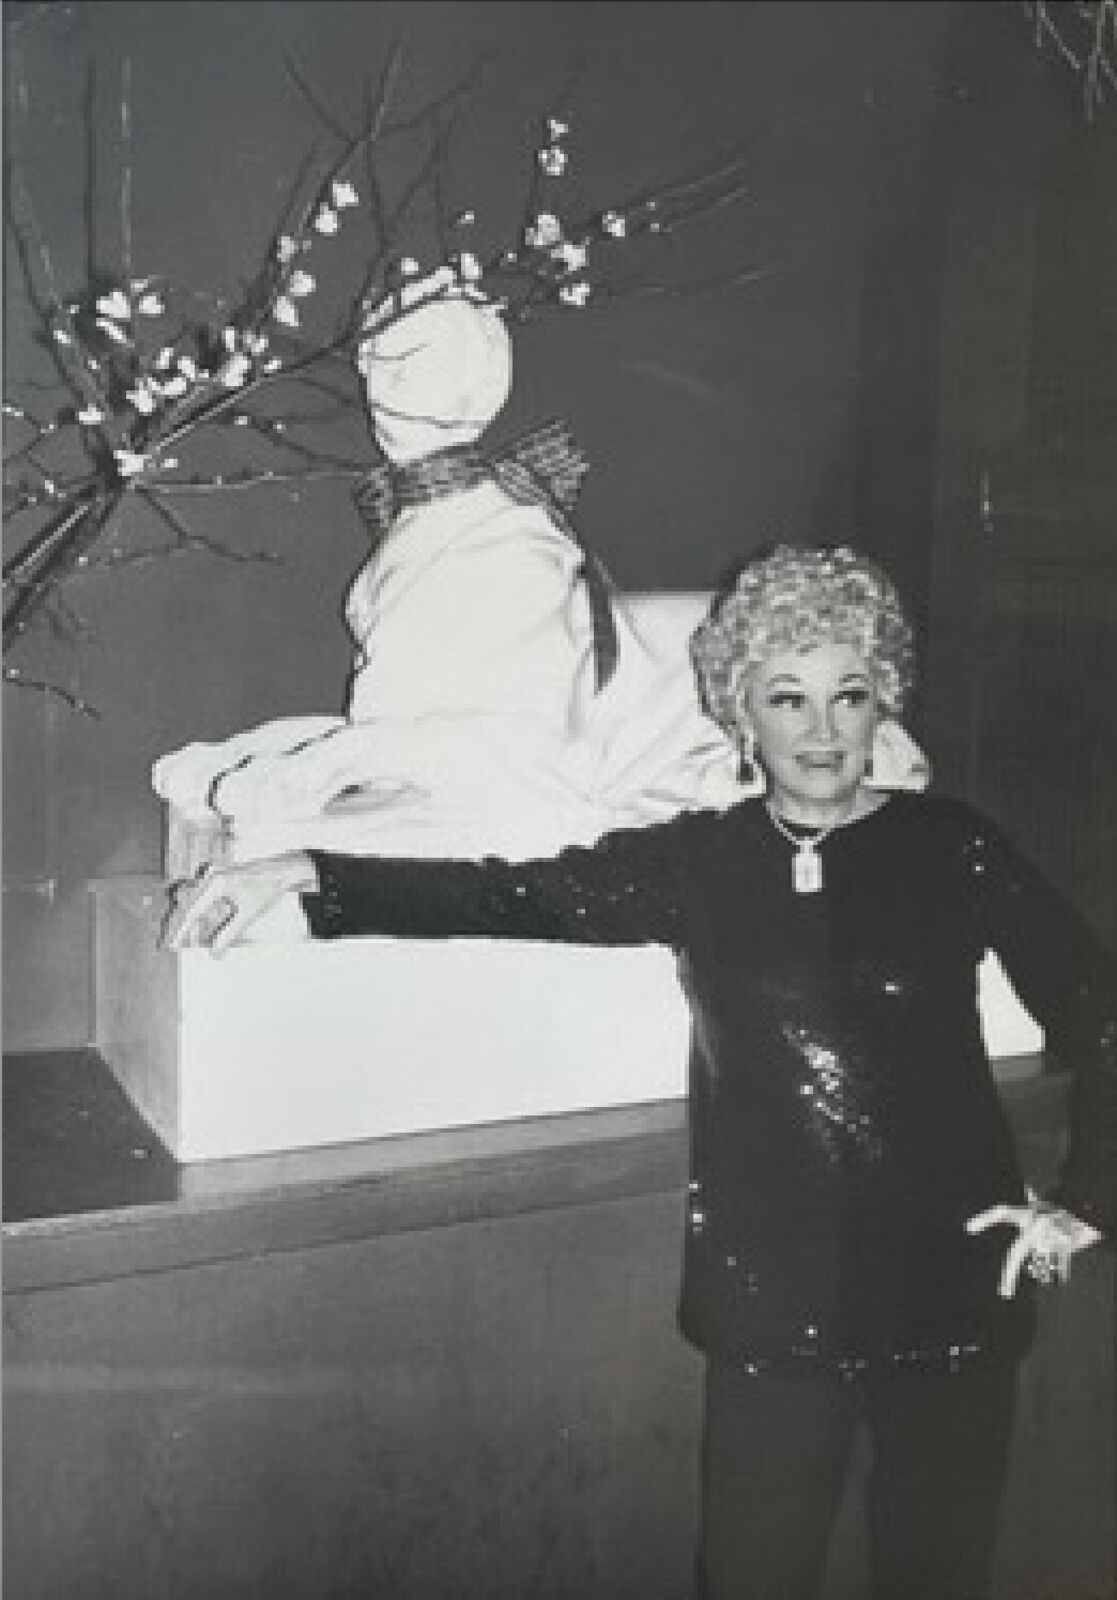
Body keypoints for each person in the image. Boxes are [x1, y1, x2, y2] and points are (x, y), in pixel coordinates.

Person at [162, 543, 1115, 1600]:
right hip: (773, 1313)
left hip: (950, 1299)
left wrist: (1083, 1201)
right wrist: (311, 871)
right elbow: (509, 893)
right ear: (738, 707)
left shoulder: (951, 845)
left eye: (849, 696)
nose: (822, 730)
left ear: (880, 698)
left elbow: (1102, 1012)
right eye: (787, 697)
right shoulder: (699, 861)